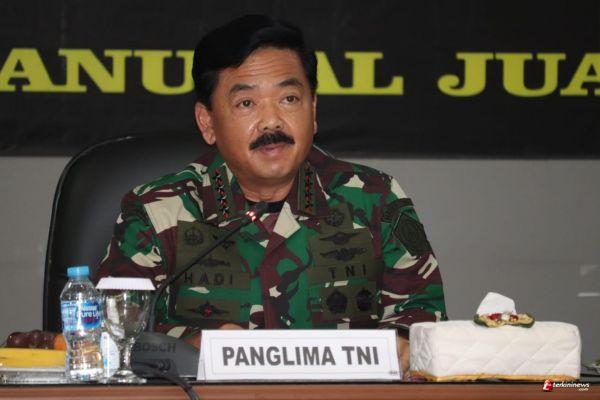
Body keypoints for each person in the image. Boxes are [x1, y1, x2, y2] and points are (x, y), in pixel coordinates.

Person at [95, 14, 447, 377]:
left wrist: (403, 344)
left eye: (289, 98)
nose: (271, 122)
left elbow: (423, 319)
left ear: (313, 110)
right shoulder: (158, 211)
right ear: (207, 122)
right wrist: (191, 351)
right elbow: (110, 342)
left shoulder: (375, 199)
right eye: (246, 103)